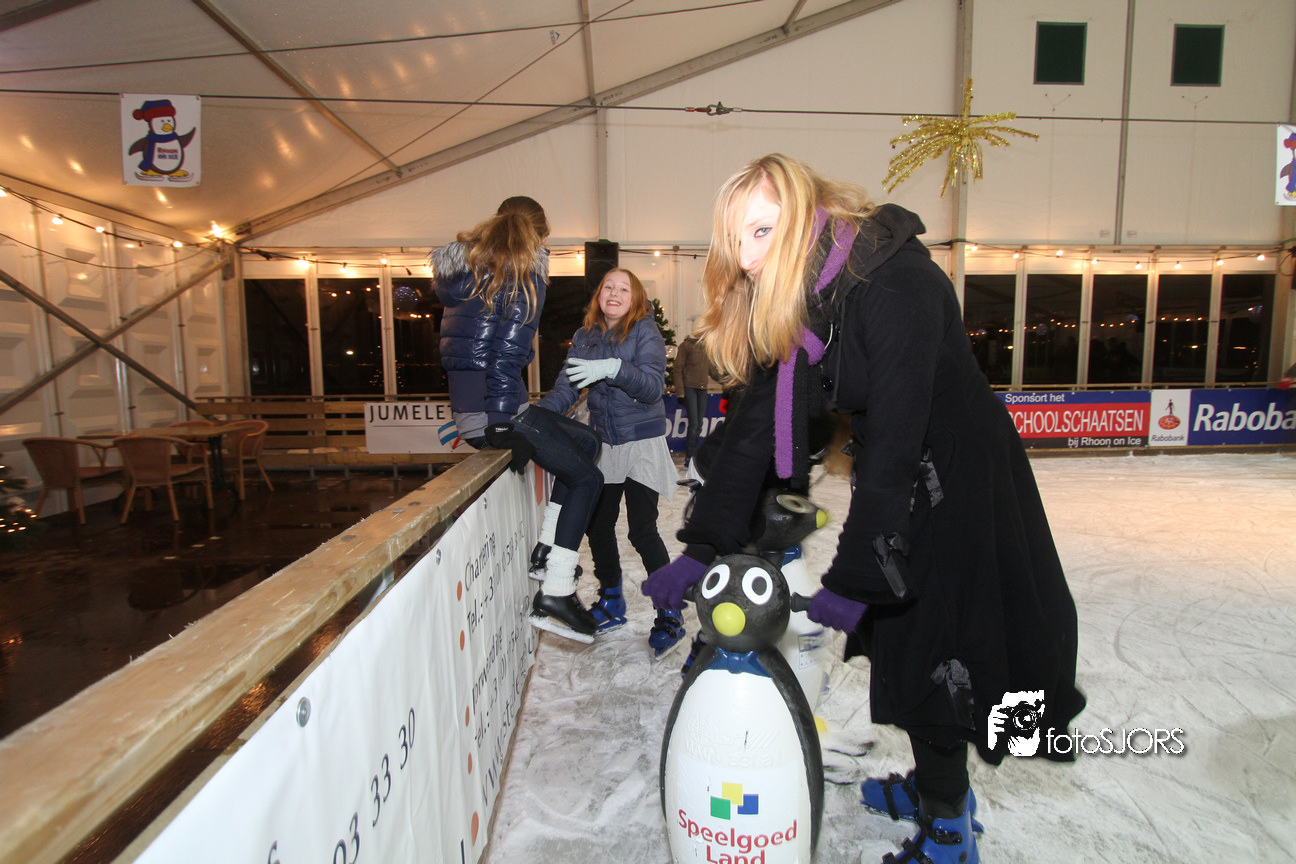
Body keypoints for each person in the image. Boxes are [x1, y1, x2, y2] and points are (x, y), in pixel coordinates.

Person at [643, 154, 1085, 864]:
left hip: (959, 485)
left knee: (941, 651)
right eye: (737, 241)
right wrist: (702, 544)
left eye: (762, 231)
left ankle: (948, 831)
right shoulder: (812, 299)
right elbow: (757, 424)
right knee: (910, 649)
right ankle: (941, 788)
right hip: (906, 477)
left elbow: (899, 439)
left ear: (805, 212)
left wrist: (856, 573)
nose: (748, 259)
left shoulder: (895, 281)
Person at [433, 195, 603, 642]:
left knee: (587, 443)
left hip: (483, 405)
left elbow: (467, 350)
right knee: (588, 479)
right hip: (496, 410)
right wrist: (498, 423)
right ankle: (557, 592)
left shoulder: (470, 271)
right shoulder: (523, 272)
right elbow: (506, 356)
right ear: (539, 234)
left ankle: (546, 552)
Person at [537, 268, 686, 658]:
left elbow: (653, 387)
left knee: (642, 531)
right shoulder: (586, 336)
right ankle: (612, 599)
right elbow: (566, 387)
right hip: (604, 443)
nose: (614, 293)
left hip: (641, 443)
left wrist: (613, 368)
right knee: (597, 526)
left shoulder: (644, 332)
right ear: (598, 295)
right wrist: (536, 417)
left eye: (624, 288)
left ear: (635, 298)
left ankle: (669, 611)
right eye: (608, 287)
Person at [672, 327, 712, 468]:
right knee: (694, 424)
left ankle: (695, 455)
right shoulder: (686, 346)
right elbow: (677, 369)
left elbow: (711, 368)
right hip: (690, 388)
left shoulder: (707, 347)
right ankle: (689, 457)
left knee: (699, 424)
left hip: (702, 388)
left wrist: (726, 380)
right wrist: (680, 392)